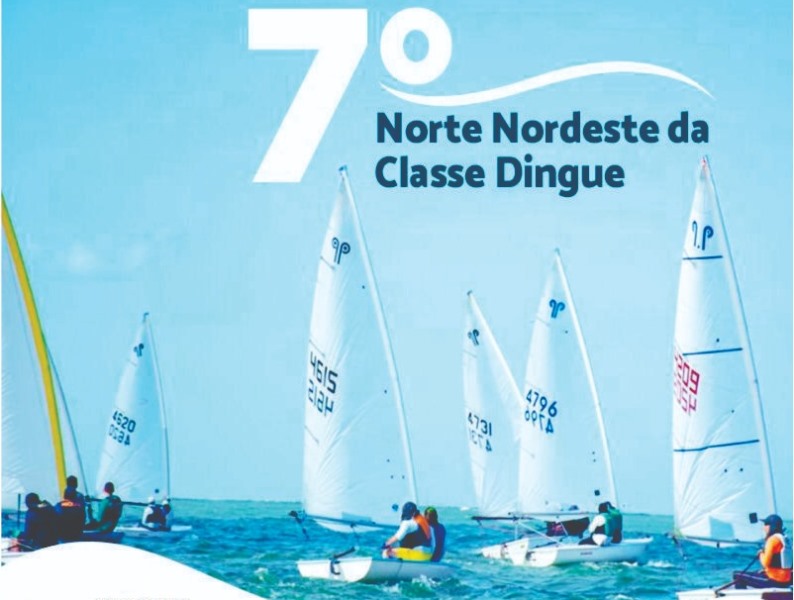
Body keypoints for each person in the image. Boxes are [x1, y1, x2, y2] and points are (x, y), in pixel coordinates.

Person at [733, 514, 793, 589]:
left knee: (737, 575)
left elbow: (765, 563)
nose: (763, 528)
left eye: (765, 525)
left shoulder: (772, 540)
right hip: (787, 580)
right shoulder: (786, 540)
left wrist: (761, 554)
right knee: (758, 572)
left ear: (770, 526)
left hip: (774, 581)